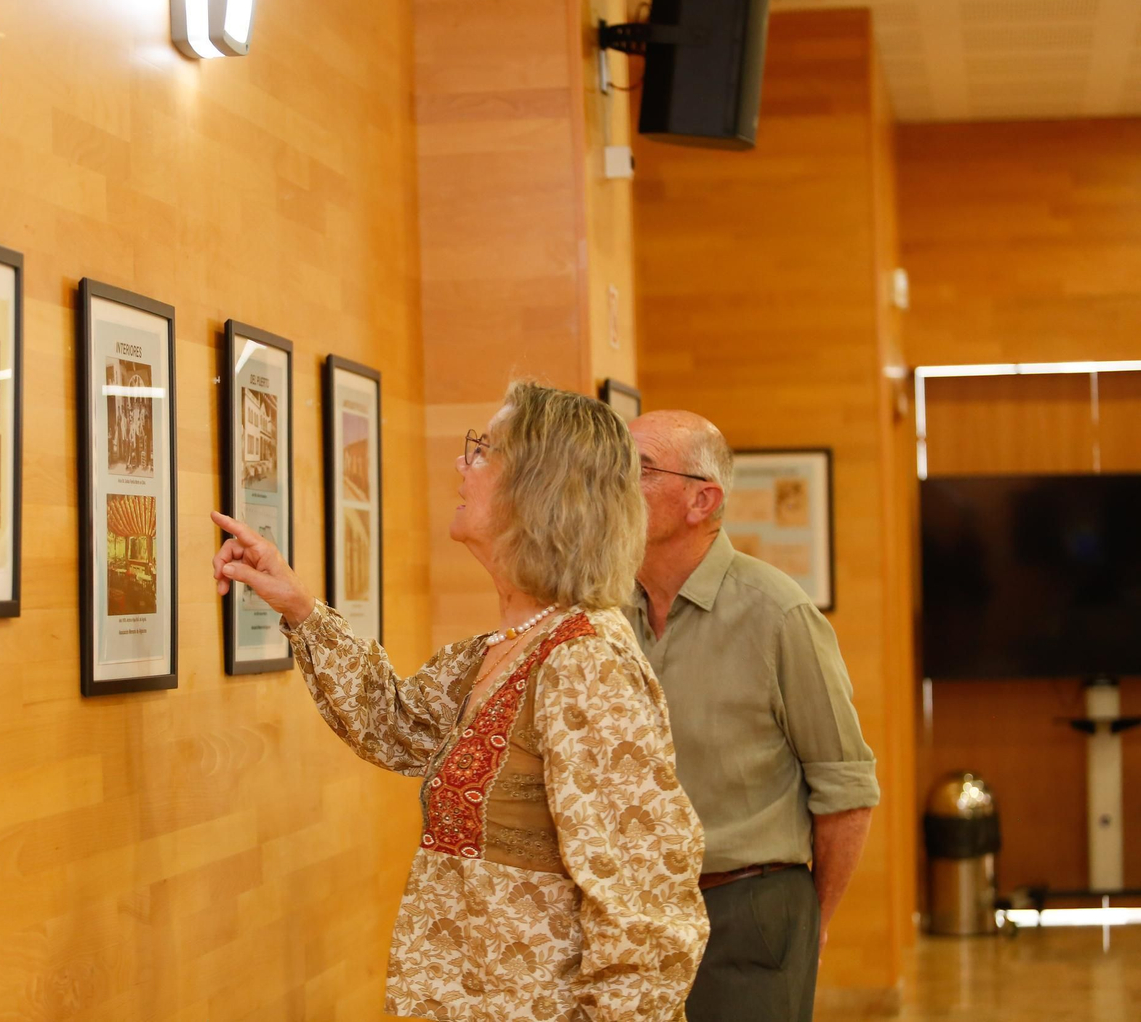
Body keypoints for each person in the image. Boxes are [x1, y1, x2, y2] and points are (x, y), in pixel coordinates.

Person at [212, 381, 708, 1022]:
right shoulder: (509, 646)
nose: (461, 464)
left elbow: (647, 918)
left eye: (484, 450)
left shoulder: (586, 662)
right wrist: (299, 606)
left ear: (539, 489)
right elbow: (395, 724)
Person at [625, 410, 879, 1022]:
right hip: (635, 916)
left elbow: (847, 788)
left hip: (750, 911)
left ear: (701, 500)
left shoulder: (778, 614)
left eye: (638, 469)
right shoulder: (606, 612)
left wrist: (805, 920)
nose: (611, 481)